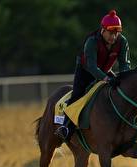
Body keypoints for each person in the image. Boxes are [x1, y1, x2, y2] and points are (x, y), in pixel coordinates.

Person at [55, 9, 131, 142]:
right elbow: (91, 66)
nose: (113, 37)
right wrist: (107, 78)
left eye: (116, 33)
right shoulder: (91, 41)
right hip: (85, 70)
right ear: (103, 30)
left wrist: (125, 79)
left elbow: (125, 64)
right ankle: (66, 127)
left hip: (105, 70)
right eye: (110, 33)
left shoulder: (122, 42)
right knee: (78, 95)